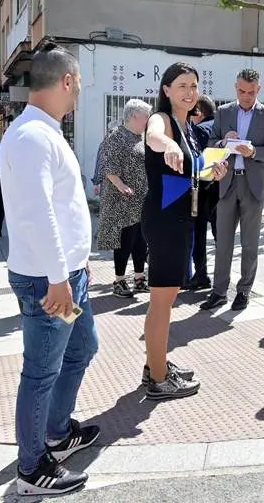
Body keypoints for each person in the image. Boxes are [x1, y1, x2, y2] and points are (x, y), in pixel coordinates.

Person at [1, 43, 100, 495]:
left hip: (65, 275)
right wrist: (60, 279)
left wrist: (76, 267)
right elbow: (37, 214)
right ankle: (31, 468)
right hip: (48, 281)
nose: (78, 93)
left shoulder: (43, 131)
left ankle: (57, 433)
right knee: (40, 371)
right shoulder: (32, 137)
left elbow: (61, 210)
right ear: (66, 81)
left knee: (82, 349)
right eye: (78, 84)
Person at [142, 62, 228, 399]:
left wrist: (211, 172)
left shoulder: (188, 126)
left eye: (194, 85)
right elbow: (153, 136)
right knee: (162, 302)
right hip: (164, 221)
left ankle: (156, 364)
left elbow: (189, 175)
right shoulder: (162, 120)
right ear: (166, 90)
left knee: (167, 300)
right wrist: (170, 145)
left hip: (179, 219)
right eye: (181, 85)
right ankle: (158, 380)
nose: (189, 91)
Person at [200, 69, 264, 311]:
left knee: (249, 244)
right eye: (241, 91)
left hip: (253, 186)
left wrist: (254, 152)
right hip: (226, 184)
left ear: (259, 89)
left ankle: (244, 291)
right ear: (235, 87)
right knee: (223, 242)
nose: (246, 96)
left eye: (251, 92)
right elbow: (210, 144)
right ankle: (218, 292)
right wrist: (223, 141)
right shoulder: (224, 112)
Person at [95, 99, 153, 298]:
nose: (148, 120)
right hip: (122, 200)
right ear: (134, 116)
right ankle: (119, 281)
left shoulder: (141, 137)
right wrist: (121, 186)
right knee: (125, 241)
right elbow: (108, 166)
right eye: (146, 116)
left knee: (140, 240)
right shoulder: (117, 136)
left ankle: (139, 279)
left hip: (140, 199)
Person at [184, 94, 219, 291]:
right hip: (222, 188)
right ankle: (222, 276)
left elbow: (193, 161)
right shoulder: (222, 127)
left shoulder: (197, 130)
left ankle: (201, 274)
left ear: (199, 112)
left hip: (201, 189)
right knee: (220, 234)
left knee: (198, 234)